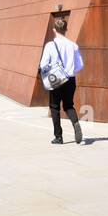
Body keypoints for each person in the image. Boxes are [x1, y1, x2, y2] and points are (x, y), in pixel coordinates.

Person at [39, 16, 84, 145]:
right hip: (70, 79)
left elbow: (43, 65)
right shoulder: (73, 45)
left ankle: (58, 137)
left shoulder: (50, 45)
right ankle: (75, 123)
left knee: (54, 107)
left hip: (56, 80)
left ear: (54, 30)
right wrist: (69, 69)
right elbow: (80, 65)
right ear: (66, 30)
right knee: (69, 105)